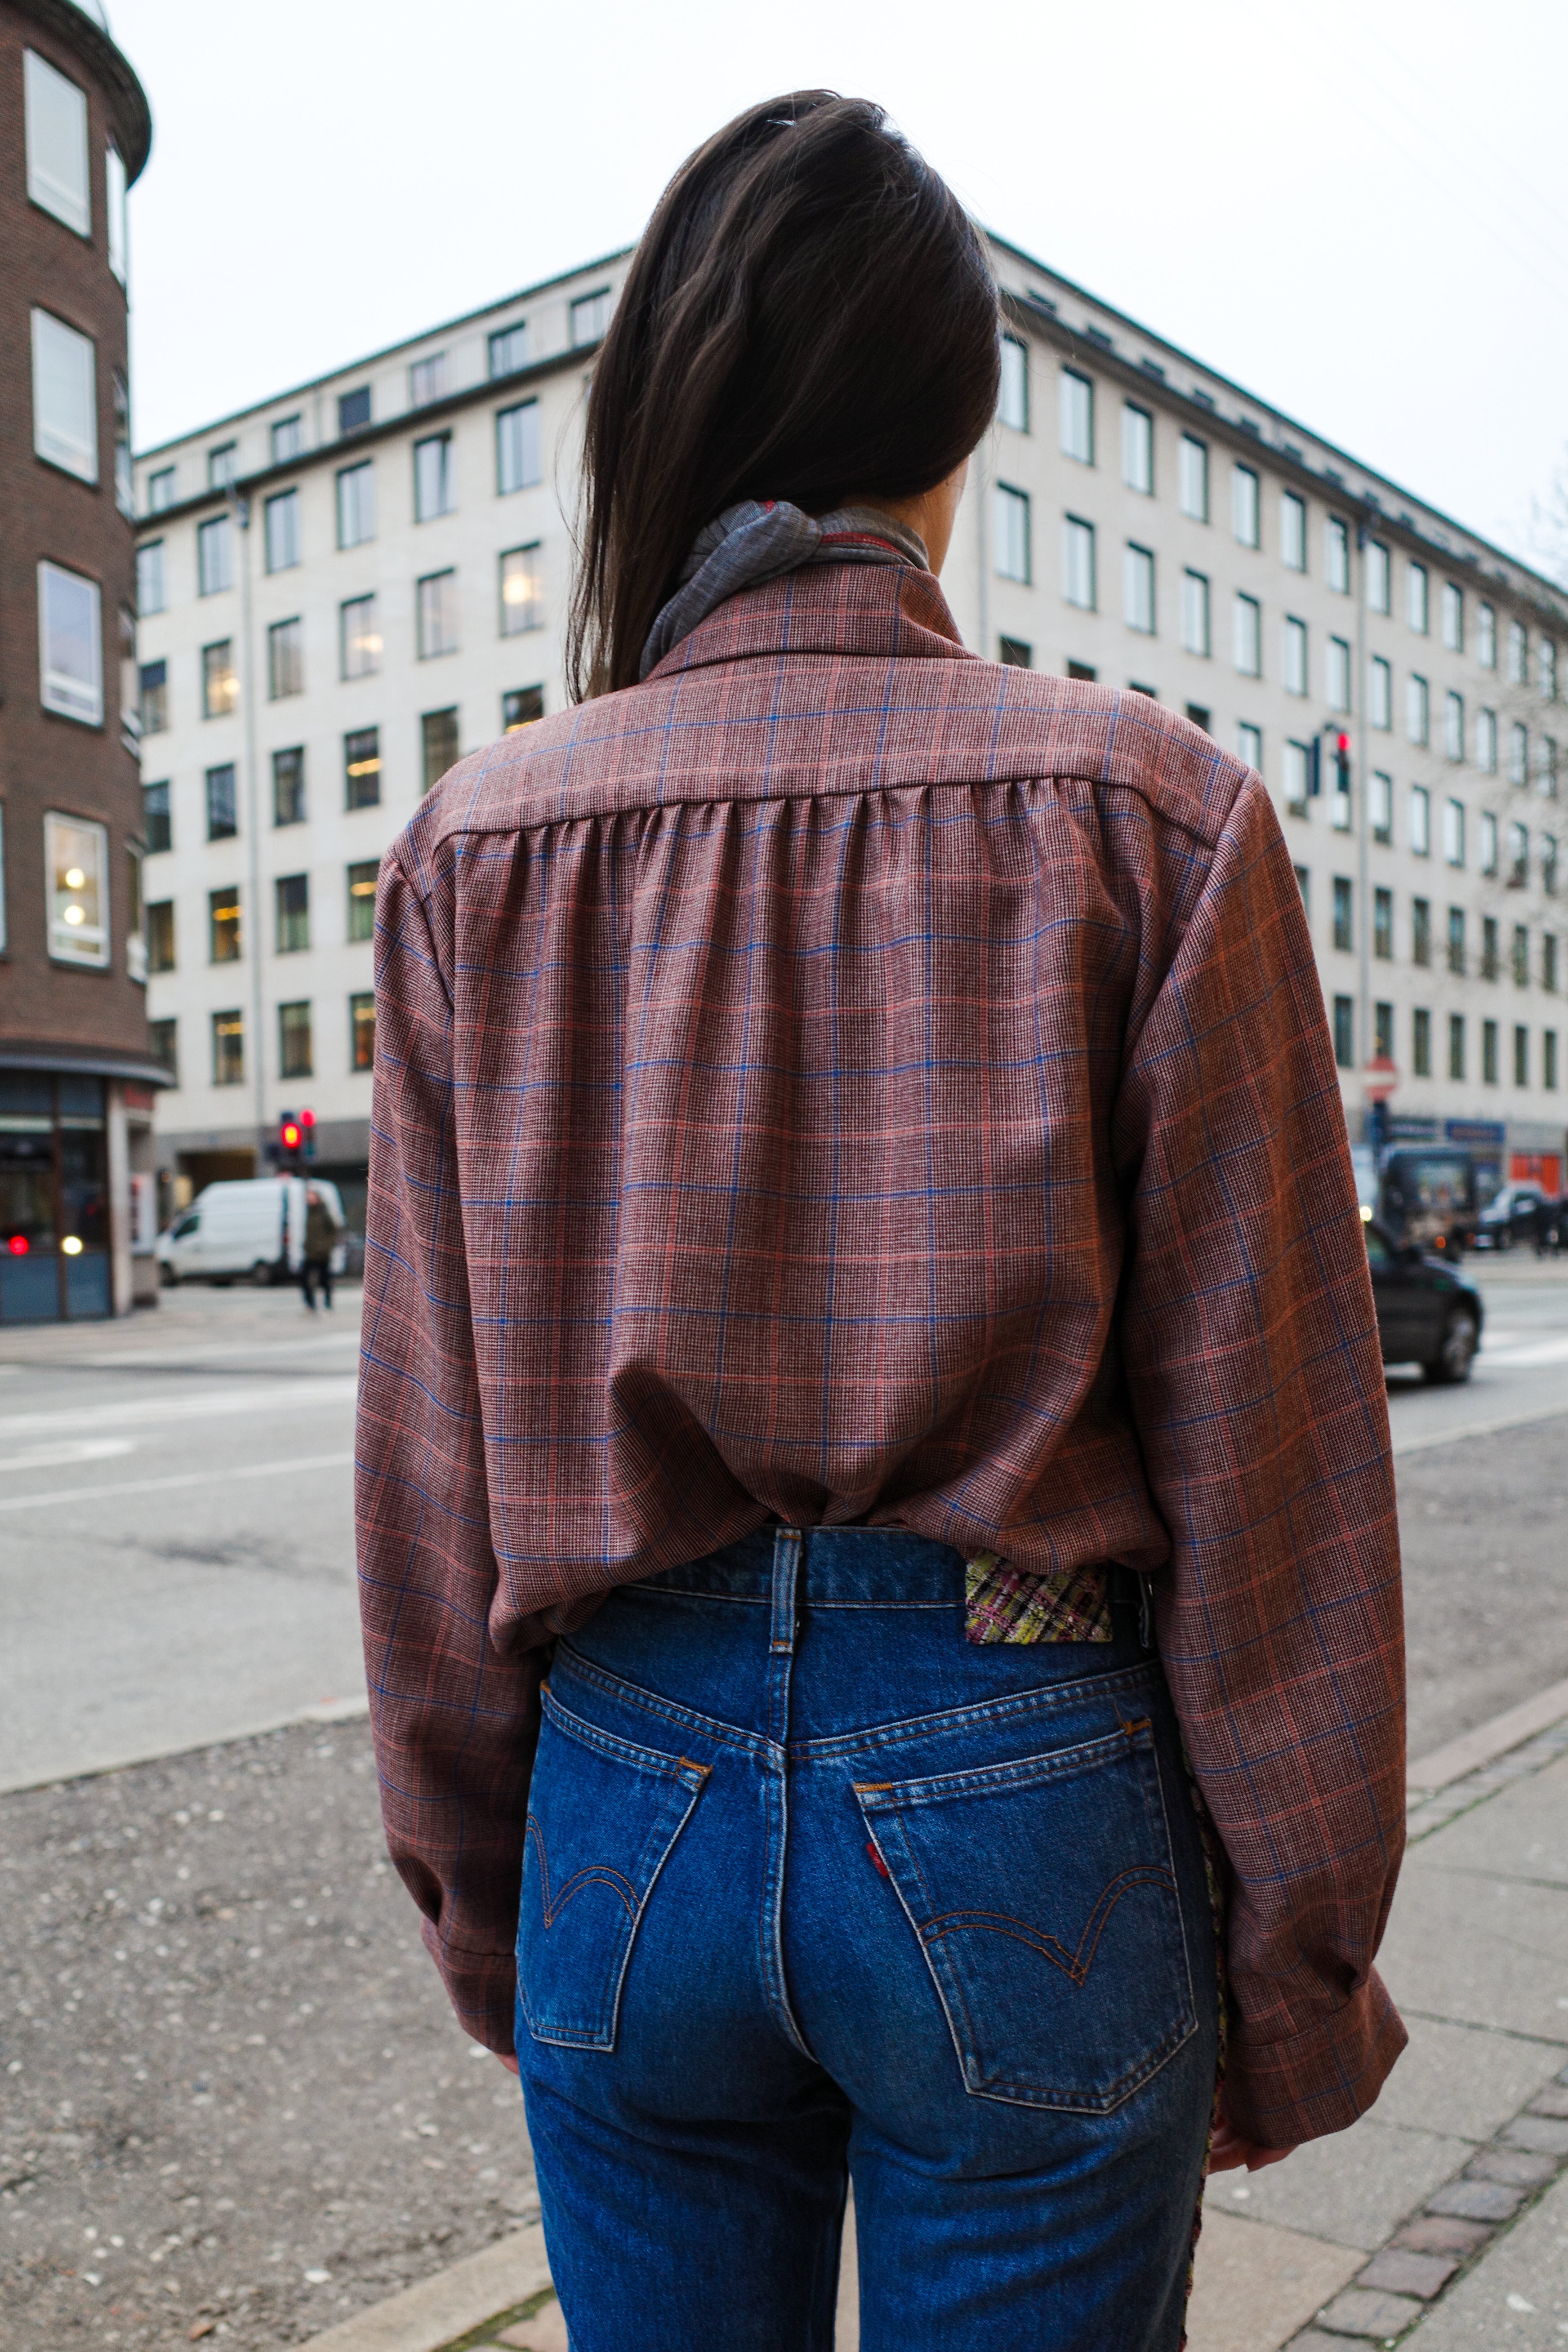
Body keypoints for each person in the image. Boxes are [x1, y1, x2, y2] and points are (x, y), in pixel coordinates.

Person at [356, 94, 1407, 2351]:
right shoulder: (1154, 815)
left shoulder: (474, 850)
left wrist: (492, 1901)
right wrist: (1290, 1960)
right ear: (955, 435)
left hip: (624, 1790)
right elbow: (1274, 1461)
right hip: (1017, 1762)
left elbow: (426, 1476)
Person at [299, 1183, 341, 1310]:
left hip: (323, 1253)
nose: (309, 1199)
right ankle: (310, 1304)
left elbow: (334, 1232)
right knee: (304, 1279)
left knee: (325, 1280)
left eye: (311, 1197)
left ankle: (328, 1304)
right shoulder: (308, 1213)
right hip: (310, 1252)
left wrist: (327, 1246)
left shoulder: (324, 1213)